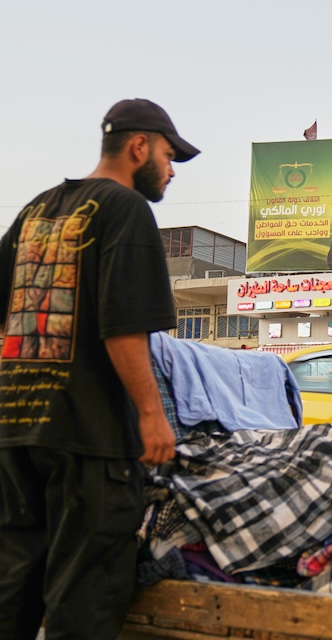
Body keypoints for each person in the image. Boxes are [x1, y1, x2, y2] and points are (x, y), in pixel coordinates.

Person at [0, 98, 199, 639]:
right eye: (167, 153)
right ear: (139, 147)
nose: (171, 168)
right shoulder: (125, 208)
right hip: (88, 441)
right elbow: (123, 329)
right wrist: (152, 416)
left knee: (12, 592)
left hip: (17, 433)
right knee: (83, 603)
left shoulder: (36, 210)